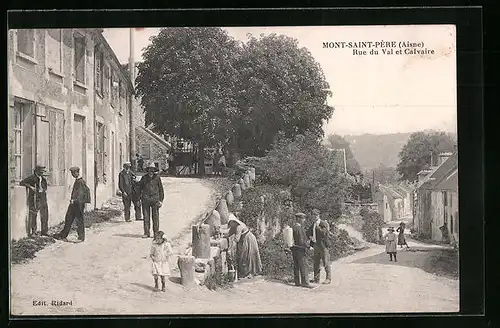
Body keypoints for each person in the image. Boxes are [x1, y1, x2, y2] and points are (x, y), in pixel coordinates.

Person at [54, 167, 91, 243]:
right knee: (69, 218)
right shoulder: (78, 181)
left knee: (79, 220)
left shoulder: (80, 182)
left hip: (78, 204)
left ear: (77, 173)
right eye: (72, 173)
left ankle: (81, 237)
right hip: (75, 203)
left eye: (74, 173)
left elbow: (80, 193)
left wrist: (74, 200)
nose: (73, 175)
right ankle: (63, 235)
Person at [227, 214, 262, 279]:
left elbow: (237, 239)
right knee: (243, 257)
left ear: (234, 222)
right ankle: (244, 272)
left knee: (249, 256)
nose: (230, 224)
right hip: (243, 240)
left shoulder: (238, 227)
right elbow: (229, 234)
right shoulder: (234, 227)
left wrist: (231, 247)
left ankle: (250, 273)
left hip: (248, 239)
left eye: (230, 223)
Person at [20, 165, 49, 237]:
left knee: (45, 215)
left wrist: (43, 190)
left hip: (43, 198)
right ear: (37, 170)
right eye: (41, 171)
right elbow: (22, 183)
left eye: (43, 171)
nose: (43, 172)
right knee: (34, 215)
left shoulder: (43, 179)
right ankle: (34, 232)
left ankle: (44, 231)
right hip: (35, 198)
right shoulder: (32, 178)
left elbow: (45, 187)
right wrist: (30, 187)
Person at [306, 209, 332, 284]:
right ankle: (316, 279)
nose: (314, 217)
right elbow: (307, 232)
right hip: (316, 245)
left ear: (318, 215)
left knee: (326, 262)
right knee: (316, 263)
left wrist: (317, 227)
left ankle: (328, 279)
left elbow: (323, 233)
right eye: (313, 215)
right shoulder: (313, 224)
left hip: (323, 246)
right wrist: (310, 237)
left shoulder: (323, 223)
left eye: (315, 215)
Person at [290, 212, 315, 288]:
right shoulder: (299, 228)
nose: (304, 220)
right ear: (298, 219)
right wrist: (308, 246)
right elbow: (301, 240)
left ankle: (297, 282)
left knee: (296, 265)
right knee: (303, 265)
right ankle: (305, 282)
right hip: (300, 249)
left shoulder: (293, 226)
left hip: (294, 249)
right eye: (303, 218)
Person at [140, 163, 164, 238]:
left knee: (155, 217)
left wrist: (161, 200)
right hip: (146, 200)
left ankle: (156, 233)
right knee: (146, 217)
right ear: (148, 170)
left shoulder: (157, 178)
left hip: (155, 200)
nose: (151, 171)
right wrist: (140, 197)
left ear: (154, 170)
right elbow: (139, 188)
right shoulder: (144, 178)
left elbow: (161, 189)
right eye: (150, 170)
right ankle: (146, 233)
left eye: (152, 170)